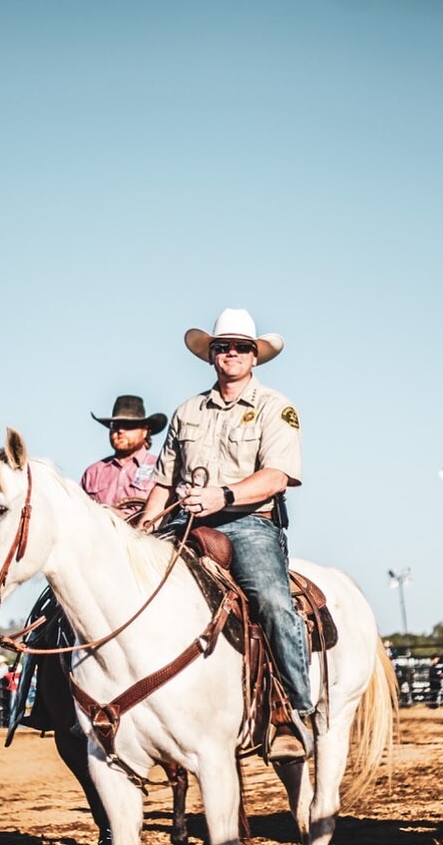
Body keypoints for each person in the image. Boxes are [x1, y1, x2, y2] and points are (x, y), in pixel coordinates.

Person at [140, 307, 313, 760]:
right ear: (211, 355)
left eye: (240, 347)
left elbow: (277, 477)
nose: (230, 354)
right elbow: (162, 481)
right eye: (222, 347)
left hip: (250, 523)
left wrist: (224, 497)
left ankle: (293, 710)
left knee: (273, 602)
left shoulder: (277, 408)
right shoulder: (187, 411)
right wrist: (145, 524)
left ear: (254, 357)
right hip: (186, 521)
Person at [81, 395, 168, 514]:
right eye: (115, 426)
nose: (120, 431)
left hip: (145, 531)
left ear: (145, 431)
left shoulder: (161, 468)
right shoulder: (92, 472)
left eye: (128, 425)